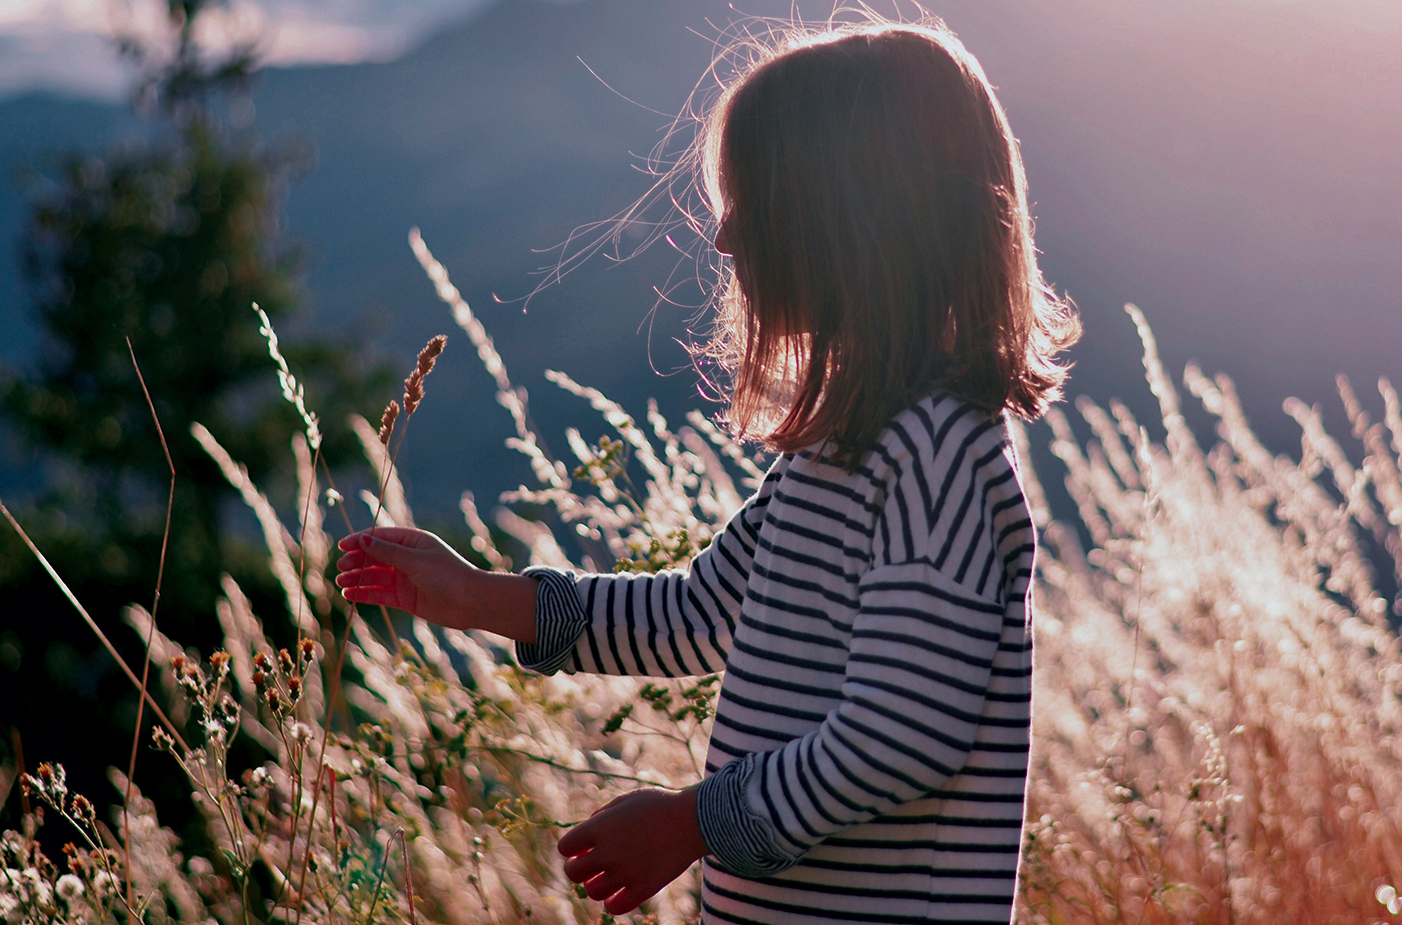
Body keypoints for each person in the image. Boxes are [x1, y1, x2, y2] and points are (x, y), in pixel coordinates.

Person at [334, 16, 1077, 924]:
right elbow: (699, 612)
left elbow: (901, 736)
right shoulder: (835, 449)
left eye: (754, 203)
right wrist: (480, 598)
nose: (725, 241)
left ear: (851, 221)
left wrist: (690, 823)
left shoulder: (936, 455)